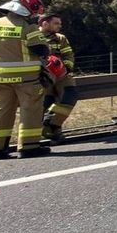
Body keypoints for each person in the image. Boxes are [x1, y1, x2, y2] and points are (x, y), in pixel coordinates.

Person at [0, 0, 51, 159]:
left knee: (1, 111)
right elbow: (40, 48)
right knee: (30, 110)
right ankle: (29, 146)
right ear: (28, 10)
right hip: (26, 79)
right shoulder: (27, 27)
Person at [38, 13, 78, 141]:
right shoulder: (33, 37)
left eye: (60, 24)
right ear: (45, 23)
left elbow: (68, 55)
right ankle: (52, 132)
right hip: (42, 76)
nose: (59, 26)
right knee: (47, 103)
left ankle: (51, 122)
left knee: (69, 96)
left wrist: (66, 68)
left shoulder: (61, 38)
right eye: (56, 23)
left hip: (61, 75)